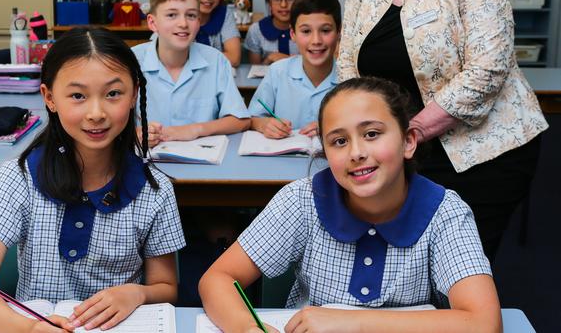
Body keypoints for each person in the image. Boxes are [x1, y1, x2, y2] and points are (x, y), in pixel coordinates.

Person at [336, 0, 548, 261]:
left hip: (484, 150)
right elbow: (349, 62)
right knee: (406, 262)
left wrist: (404, 134)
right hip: (403, 151)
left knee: (457, 268)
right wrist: (360, 128)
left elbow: (487, 71)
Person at [200, 77, 501, 333]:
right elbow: (217, 279)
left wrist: (352, 322)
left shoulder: (445, 211)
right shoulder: (302, 200)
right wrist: (247, 328)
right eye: (339, 141)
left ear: (409, 141)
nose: (356, 152)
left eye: (372, 134)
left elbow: (484, 322)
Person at [0, 27, 186, 332]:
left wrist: (138, 292)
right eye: (78, 95)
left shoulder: (155, 190)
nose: (96, 113)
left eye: (113, 94)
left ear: (134, 96)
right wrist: (32, 329)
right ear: (49, 98)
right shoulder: (18, 178)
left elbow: (166, 286)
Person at [133, 0, 250, 146]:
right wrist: (133, 134)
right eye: (171, 15)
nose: (183, 24)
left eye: (191, 15)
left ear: (199, 21)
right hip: (146, 162)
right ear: (152, 22)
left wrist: (196, 129)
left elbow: (241, 120)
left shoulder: (216, 60)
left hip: (202, 164)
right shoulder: (131, 62)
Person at [249, 0, 341, 139]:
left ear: (339, 32)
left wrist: (333, 129)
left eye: (325, 30)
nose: (316, 40)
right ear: (293, 34)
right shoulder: (277, 72)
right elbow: (252, 118)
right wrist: (264, 124)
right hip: (283, 158)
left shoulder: (350, 78)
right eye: (306, 31)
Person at [184, 0, 241, 67]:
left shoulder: (225, 14)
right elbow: (168, 57)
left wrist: (189, 58)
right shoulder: (175, 14)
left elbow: (234, 58)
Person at [244, 0, 303, 64]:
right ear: (269, 1)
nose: (283, 5)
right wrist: (268, 59)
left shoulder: (309, 29)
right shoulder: (256, 31)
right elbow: (254, 73)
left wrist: (289, 60)